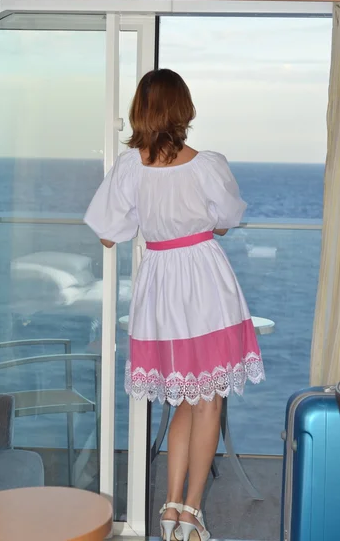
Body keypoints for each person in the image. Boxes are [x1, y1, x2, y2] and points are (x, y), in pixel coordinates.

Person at [84, 68, 265, 541]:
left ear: (140, 110)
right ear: (182, 108)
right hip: (204, 281)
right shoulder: (205, 165)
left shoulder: (129, 167)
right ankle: (192, 510)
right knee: (208, 400)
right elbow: (225, 221)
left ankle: (170, 508)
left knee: (185, 396)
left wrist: (151, 220)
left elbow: (108, 232)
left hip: (160, 284)